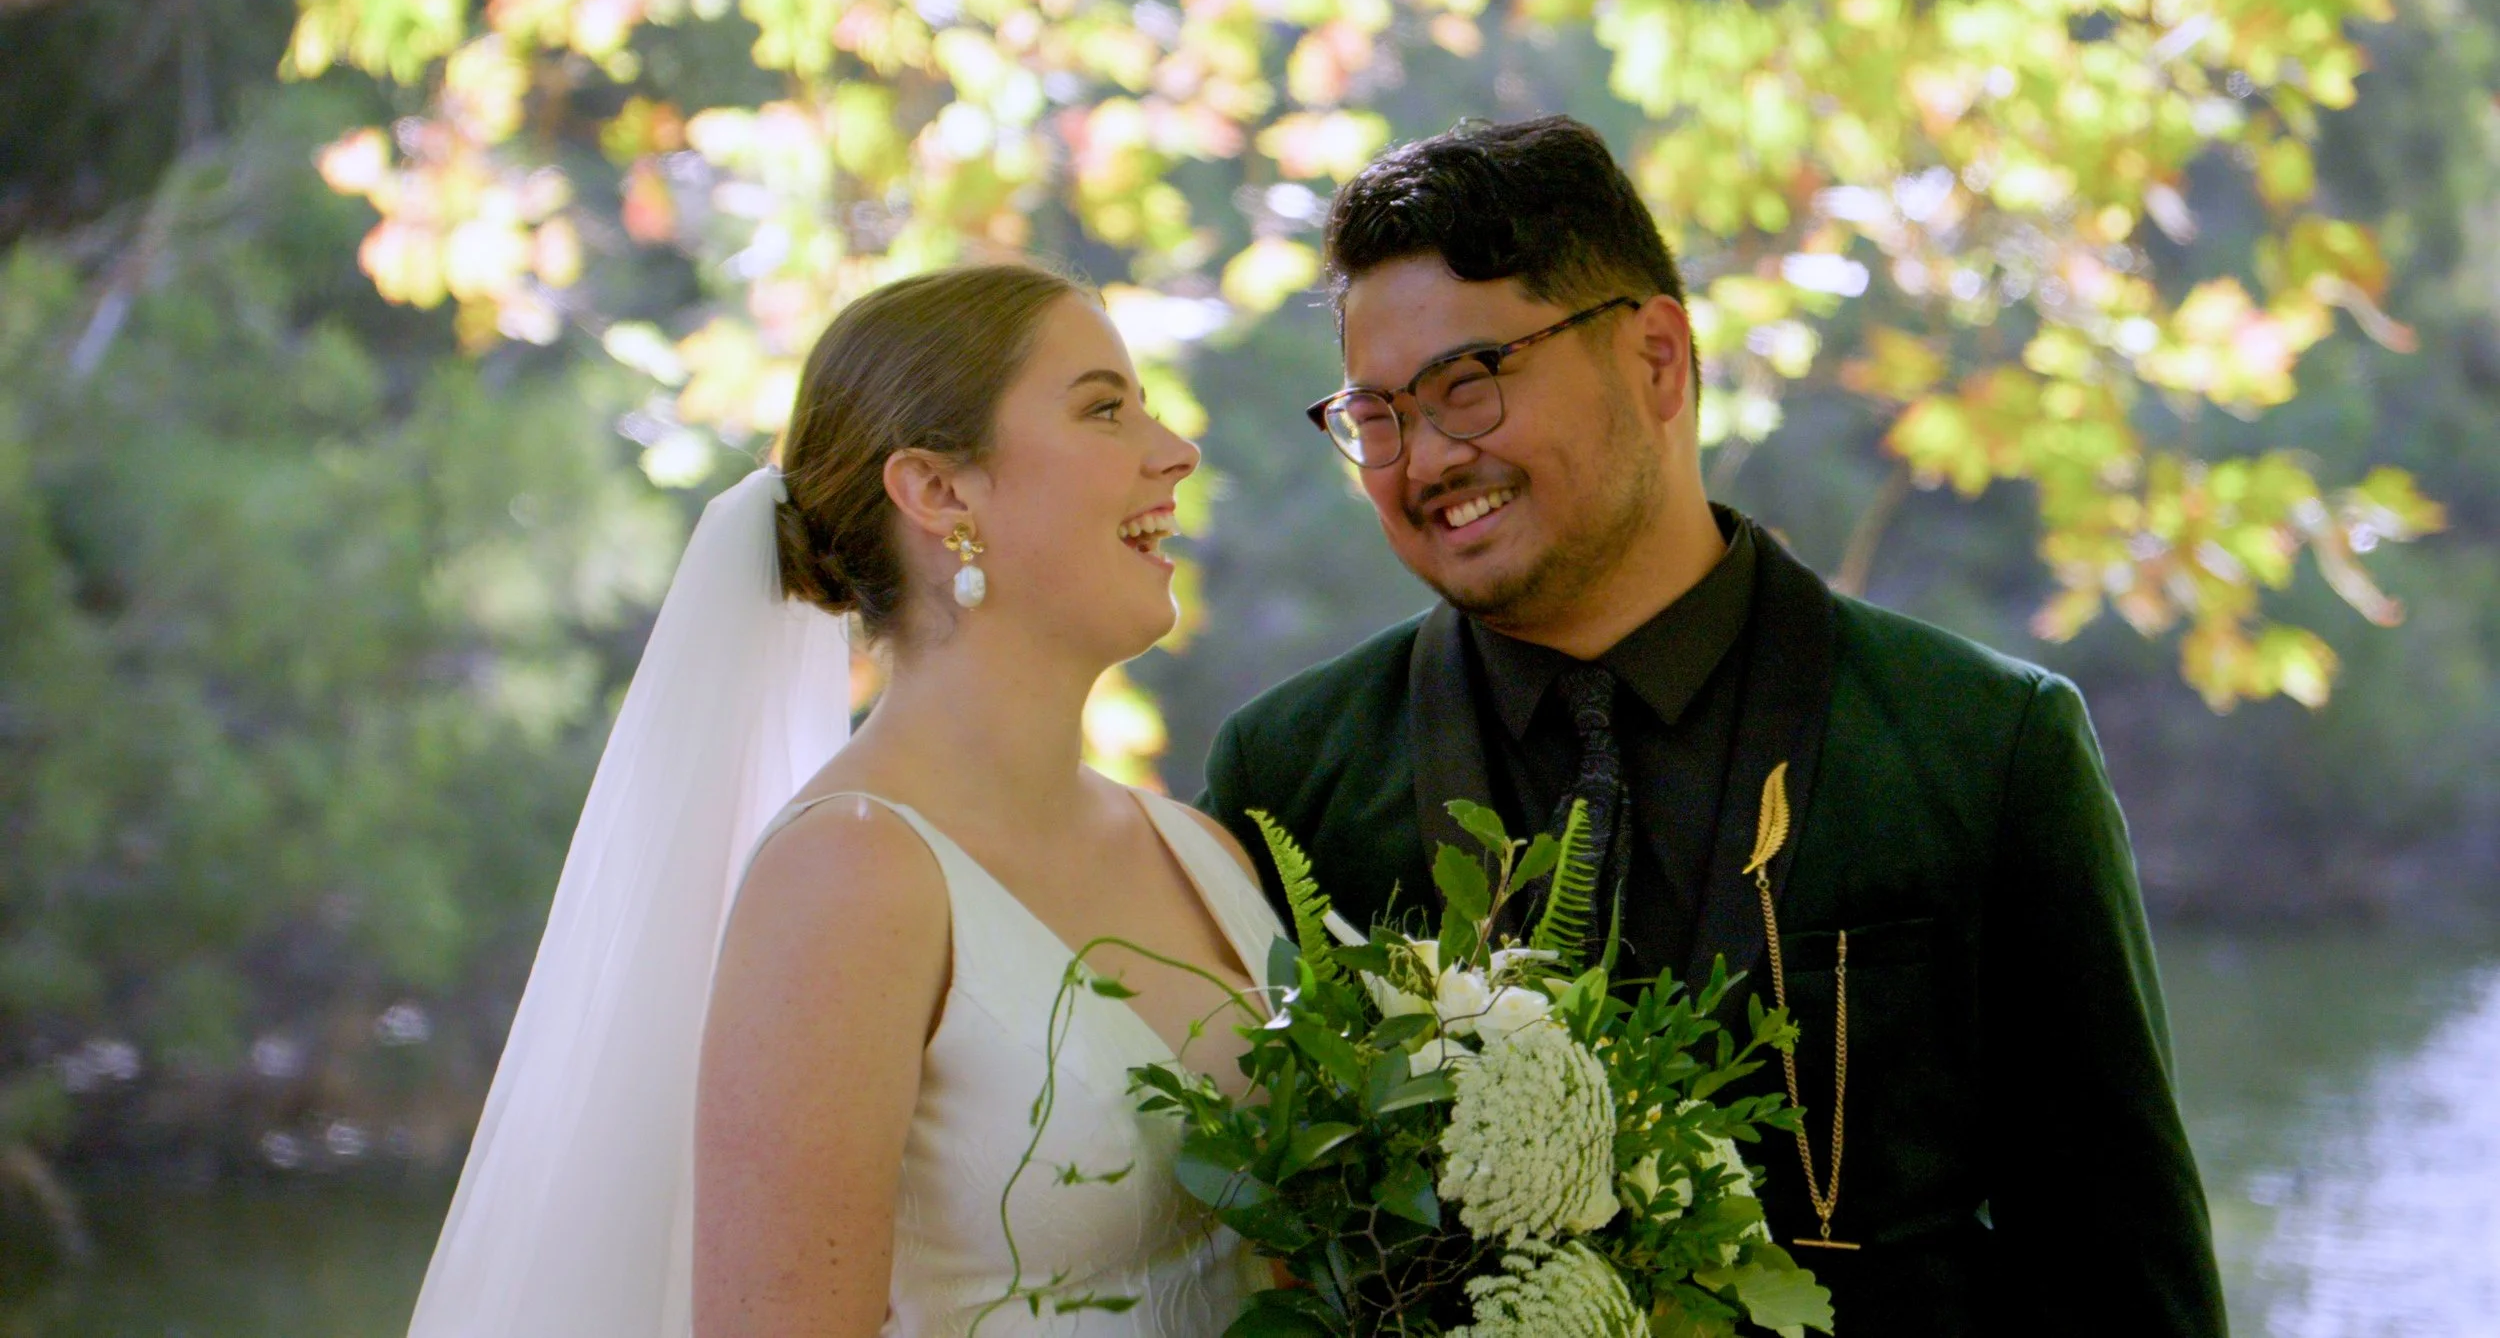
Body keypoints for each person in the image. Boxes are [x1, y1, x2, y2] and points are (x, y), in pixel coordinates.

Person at [1198, 117, 2229, 1337]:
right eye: (1375, 416)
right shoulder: (1287, 774)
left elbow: (2125, 1273)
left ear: (1658, 358)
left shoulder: (1985, 742)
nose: (1421, 458)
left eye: (1465, 387)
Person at [406, 263, 1279, 1338]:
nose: (1174, 450)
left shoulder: (1201, 853)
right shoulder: (853, 879)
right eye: (1105, 407)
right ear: (939, 491)